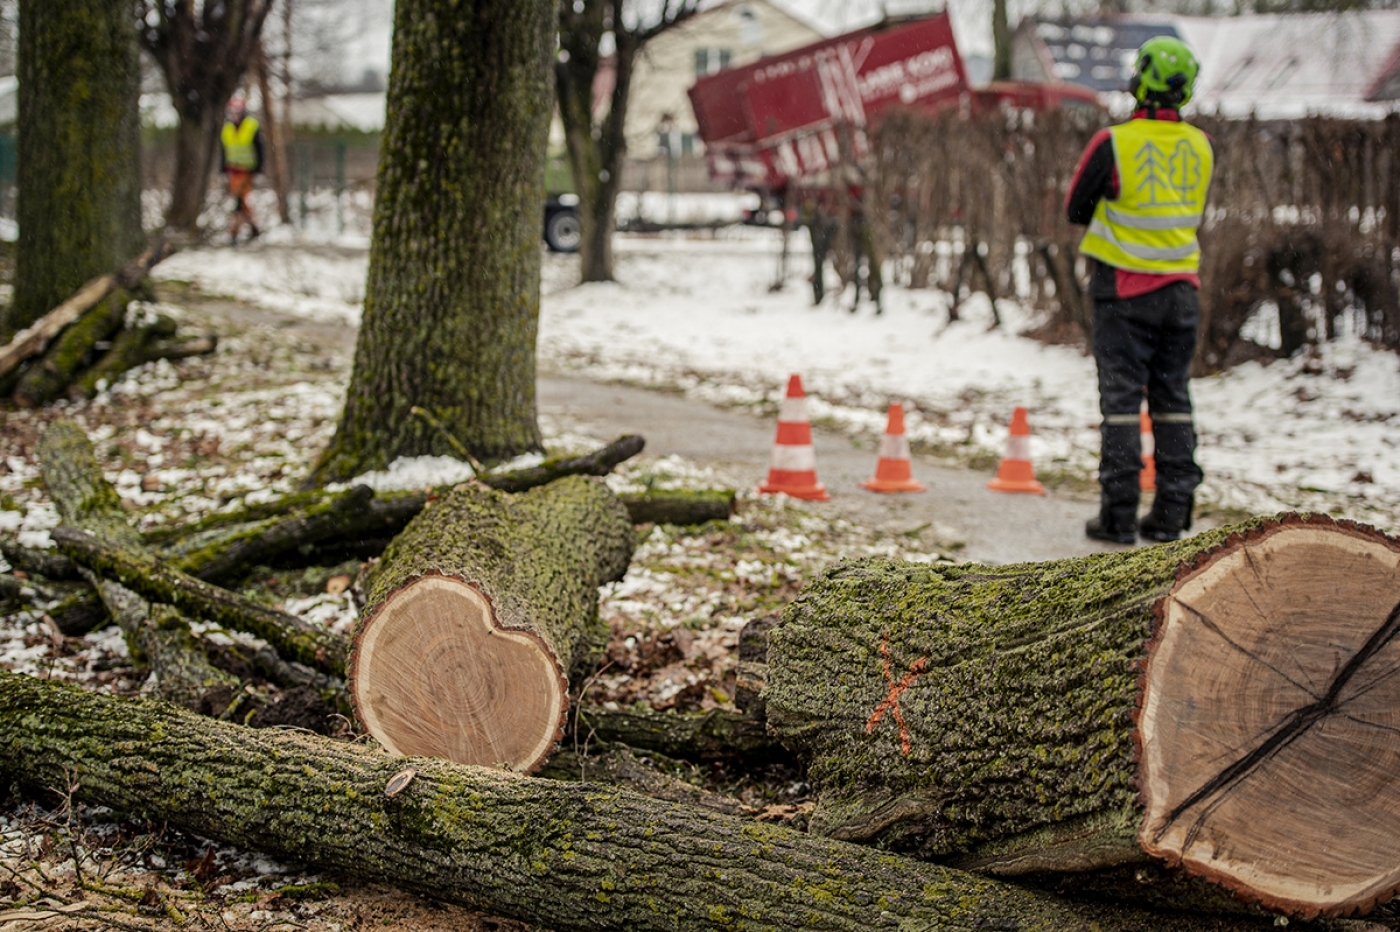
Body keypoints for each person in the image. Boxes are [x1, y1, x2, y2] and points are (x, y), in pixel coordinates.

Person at [1065, 36, 1214, 544]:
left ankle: (1119, 515)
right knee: (1173, 399)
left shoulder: (1115, 143)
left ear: (1140, 81)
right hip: (1181, 293)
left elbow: (1075, 208)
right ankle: (1173, 511)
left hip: (1124, 293)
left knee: (1122, 405)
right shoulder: (1201, 146)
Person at [220, 93, 265, 244]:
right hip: (233, 170)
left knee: (239, 201)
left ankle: (234, 232)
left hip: (247, 170)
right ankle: (254, 228)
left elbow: (260, 150)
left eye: (237, 112)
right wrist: (223, 171)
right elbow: (224, 150)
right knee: (241, 202)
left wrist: (258, 170)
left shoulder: (251, 125)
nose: (234, 115)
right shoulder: (227, 128)